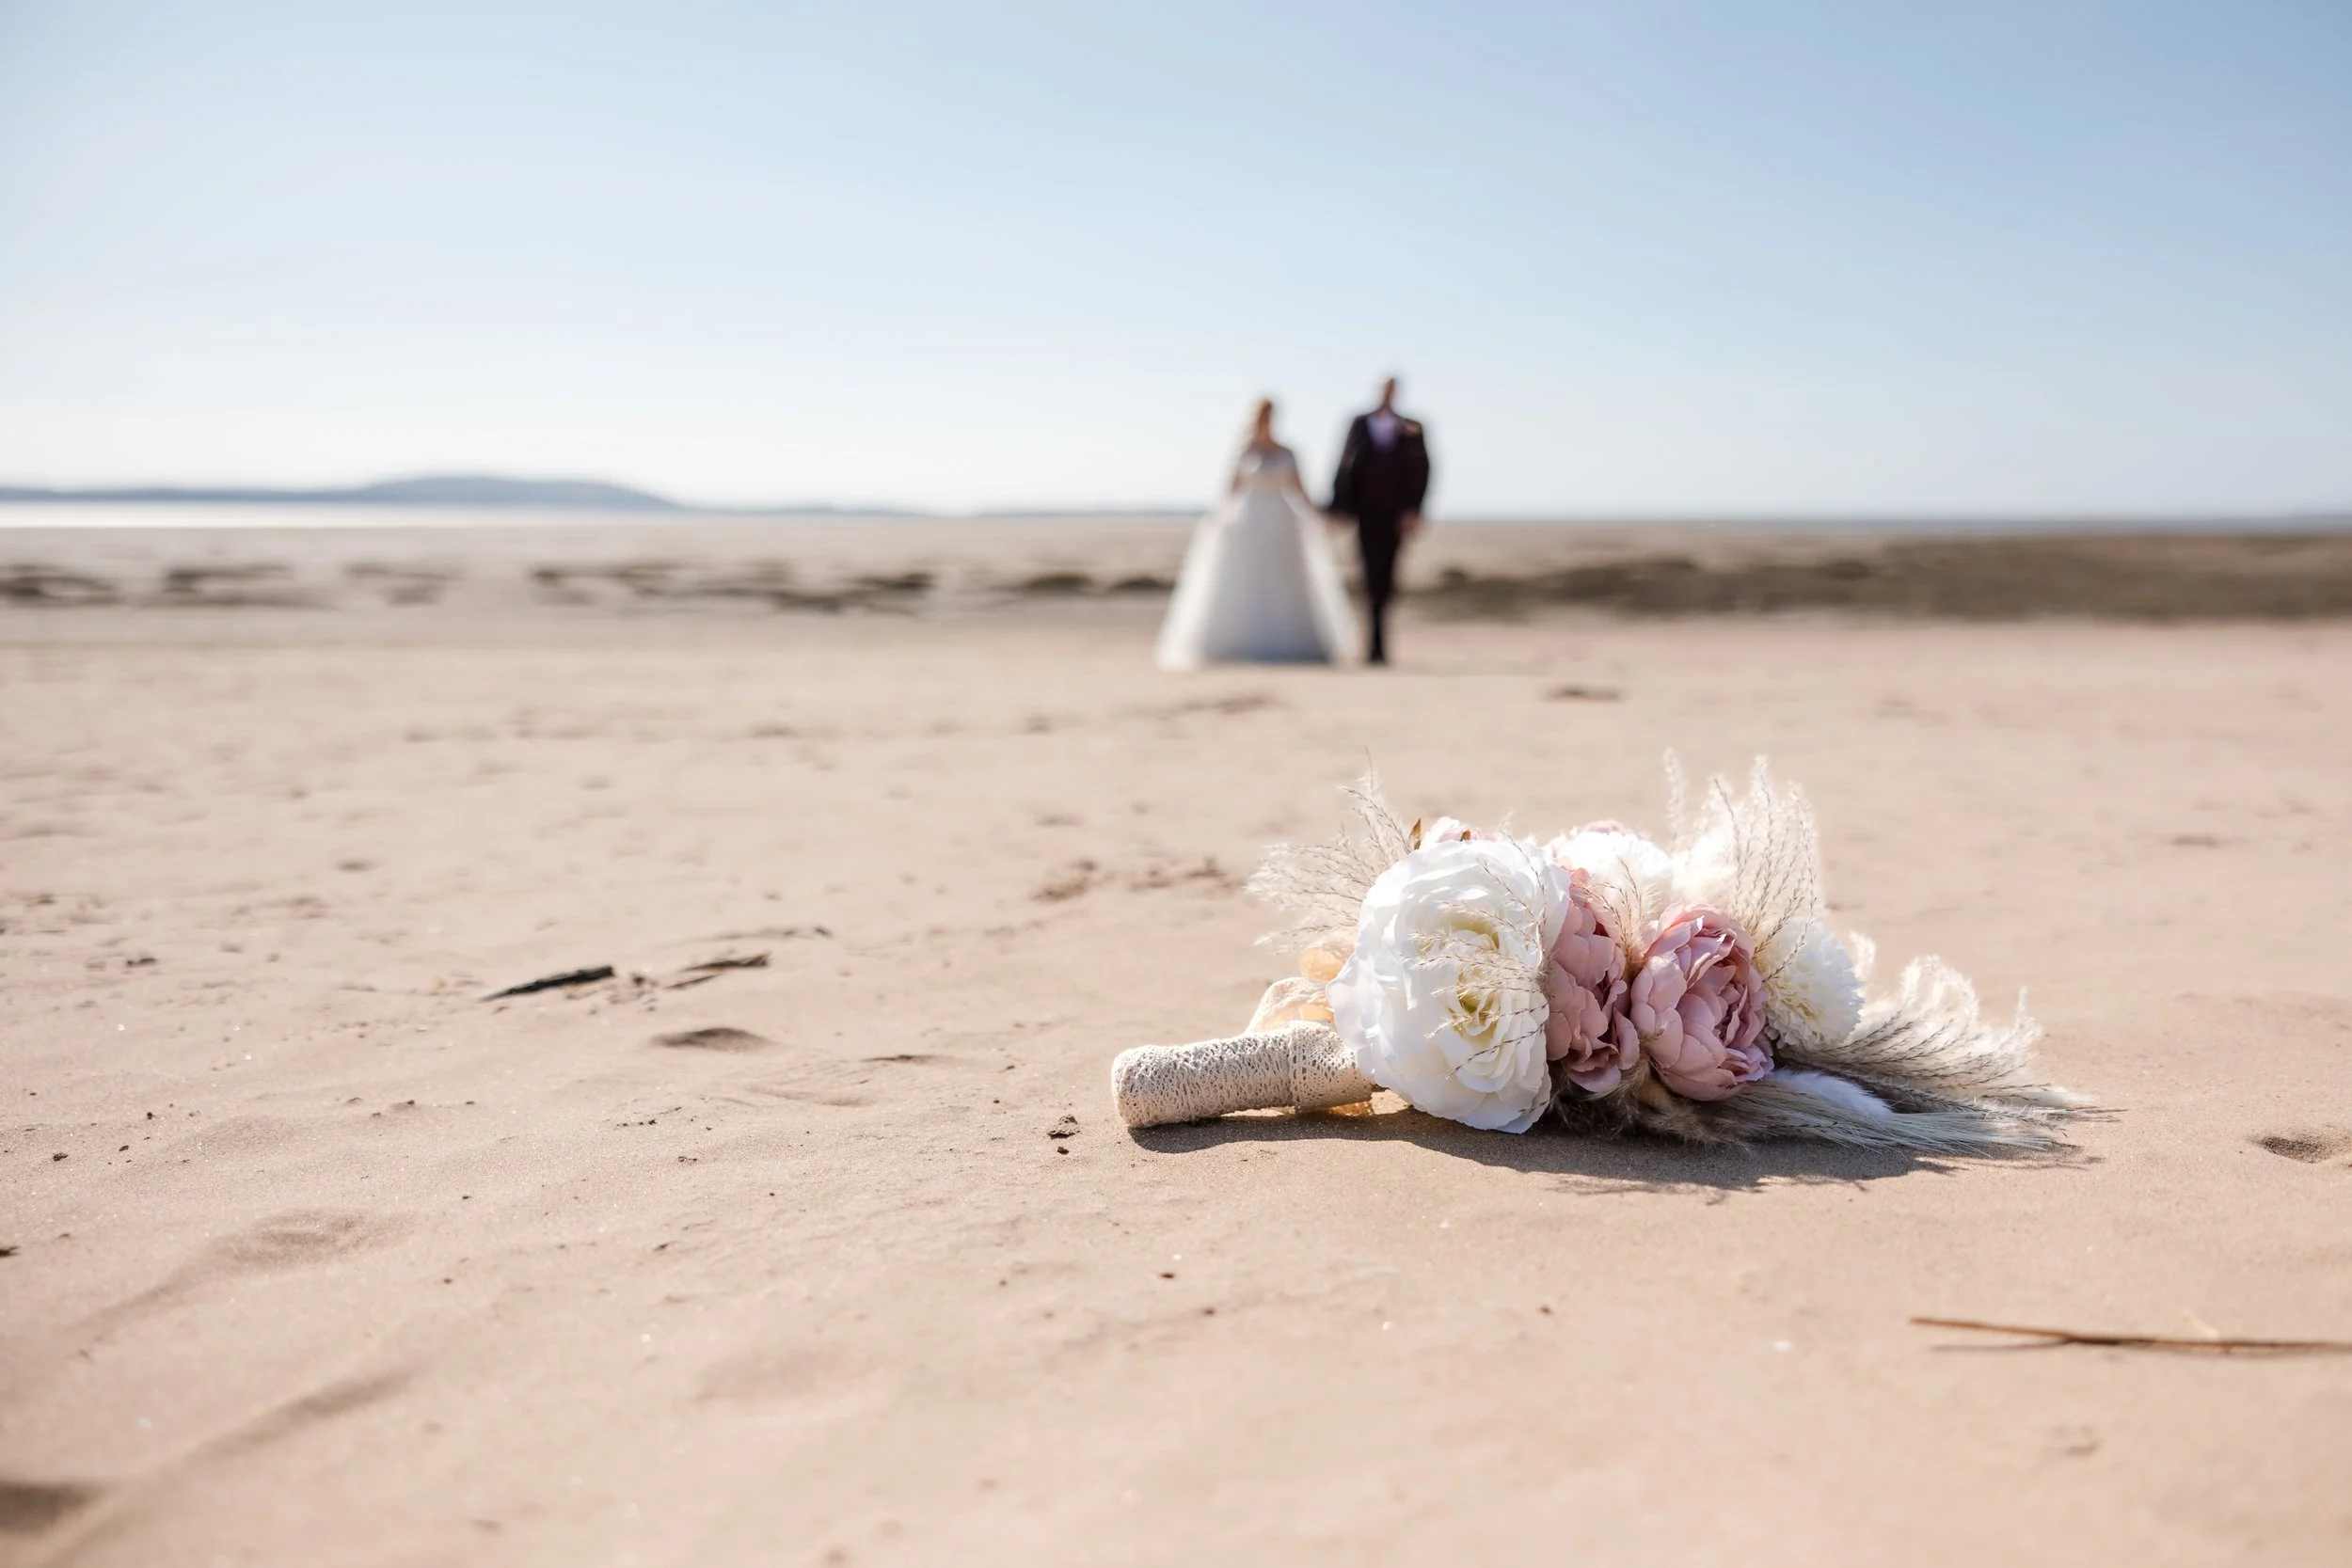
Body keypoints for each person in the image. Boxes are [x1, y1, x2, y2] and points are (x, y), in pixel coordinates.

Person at [1155, 399, 1356, 670]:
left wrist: (1324, 515)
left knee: (1282, 582)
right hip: (1248, 523)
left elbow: (1300, 490)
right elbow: (1230, 491)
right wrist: (1220, 523)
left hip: (1282, 524)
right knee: (1245, 580)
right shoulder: (1243, 451)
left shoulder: (1287, 451)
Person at [1327, 377, 1431, 665]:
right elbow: (1345, 462)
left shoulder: (1412, 426)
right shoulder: (1360, 423)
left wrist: (1414, 509)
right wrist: (1339, 507)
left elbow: (1423, 468)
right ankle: (1372, 644)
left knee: (1388, 576)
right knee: (1369, 572)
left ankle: (1380, 643)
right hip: (1366, 513)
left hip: (1395, 516)